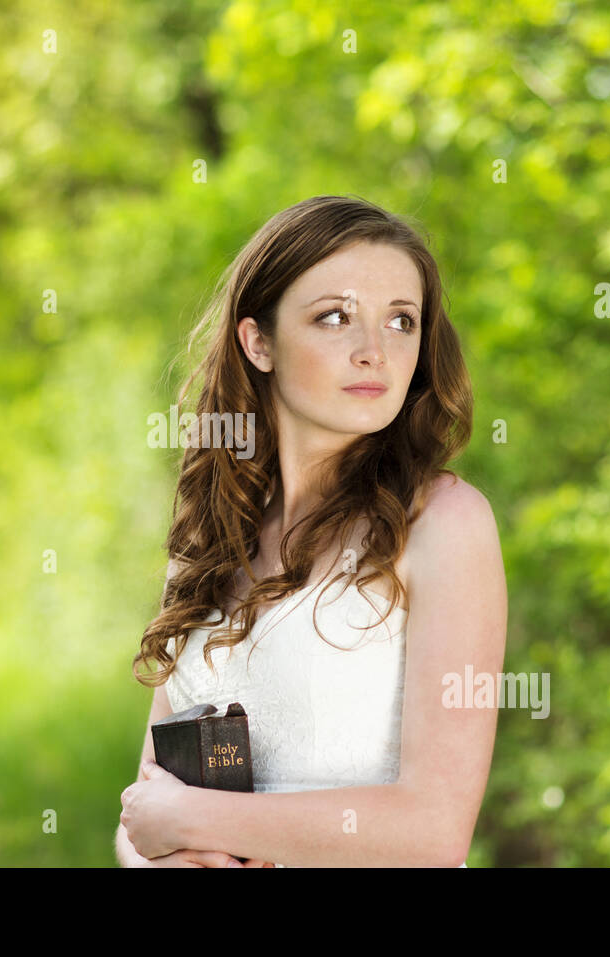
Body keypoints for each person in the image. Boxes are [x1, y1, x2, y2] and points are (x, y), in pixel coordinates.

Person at [115, 194, 507, 867]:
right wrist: (157, 857)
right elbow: (147, 811)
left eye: (402, 322)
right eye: (335, 318)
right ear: (258, 341)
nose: (374, 352)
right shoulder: (210, 540)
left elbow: (434, 831)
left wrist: (198, 819)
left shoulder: (443, 522)